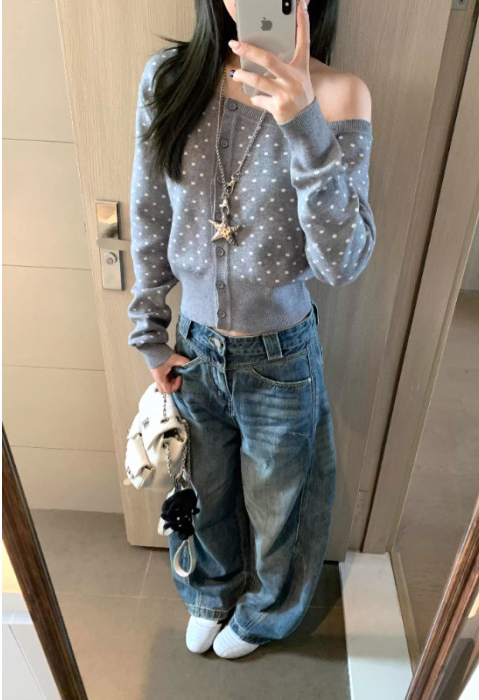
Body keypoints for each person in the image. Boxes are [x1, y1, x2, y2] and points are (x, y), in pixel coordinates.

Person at [127, 0, 375, 659]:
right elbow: (149, 212)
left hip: (282, 356)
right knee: (204, 490)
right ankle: (210, 591)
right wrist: (150, 330)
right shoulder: (170, 79)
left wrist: (304, 124)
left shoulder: (341, 94)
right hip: (193, 349)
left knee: (280, 507)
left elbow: (343, 263)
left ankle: (265, 614)